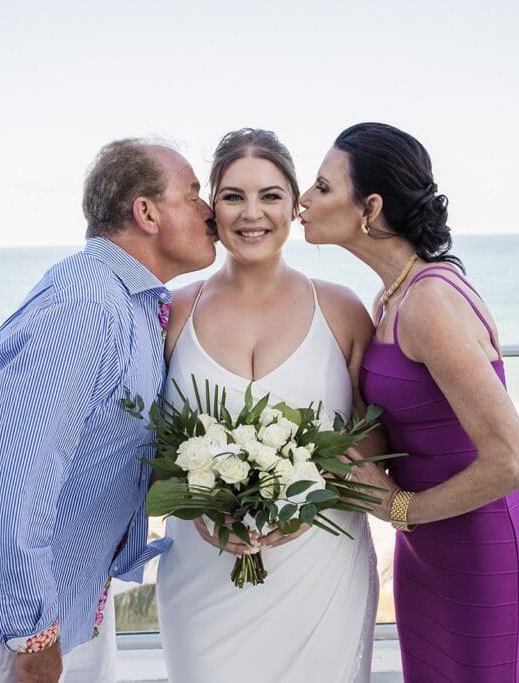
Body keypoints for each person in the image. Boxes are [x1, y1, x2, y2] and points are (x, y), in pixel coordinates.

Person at [0, 139, 216, 683]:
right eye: (193, 194)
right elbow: (12, 478)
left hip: (69, 603)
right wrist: (34, 634)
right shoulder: (85, 305)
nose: (209, 210)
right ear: (145, 212)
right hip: (0, 623)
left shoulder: (133, 303)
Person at [299, 122, 519, 682]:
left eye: (322, 187)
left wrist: (400, 510)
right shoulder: (391, 296)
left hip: (480, 543)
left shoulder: (429, 301)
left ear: (371, 208)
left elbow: (515, 461)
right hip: (425, 545)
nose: (303, 201)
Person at [155, 128, 379, 683]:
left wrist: (307, 503)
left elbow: (371, 451)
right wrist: (202, 514)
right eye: (233, 196)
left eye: (270, 195)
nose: (251, 213)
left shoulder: (343, 310)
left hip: (320, 572)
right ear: (213, 207)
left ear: (294, 203)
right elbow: (144, 447)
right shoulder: (171, 313)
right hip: (202, 577)